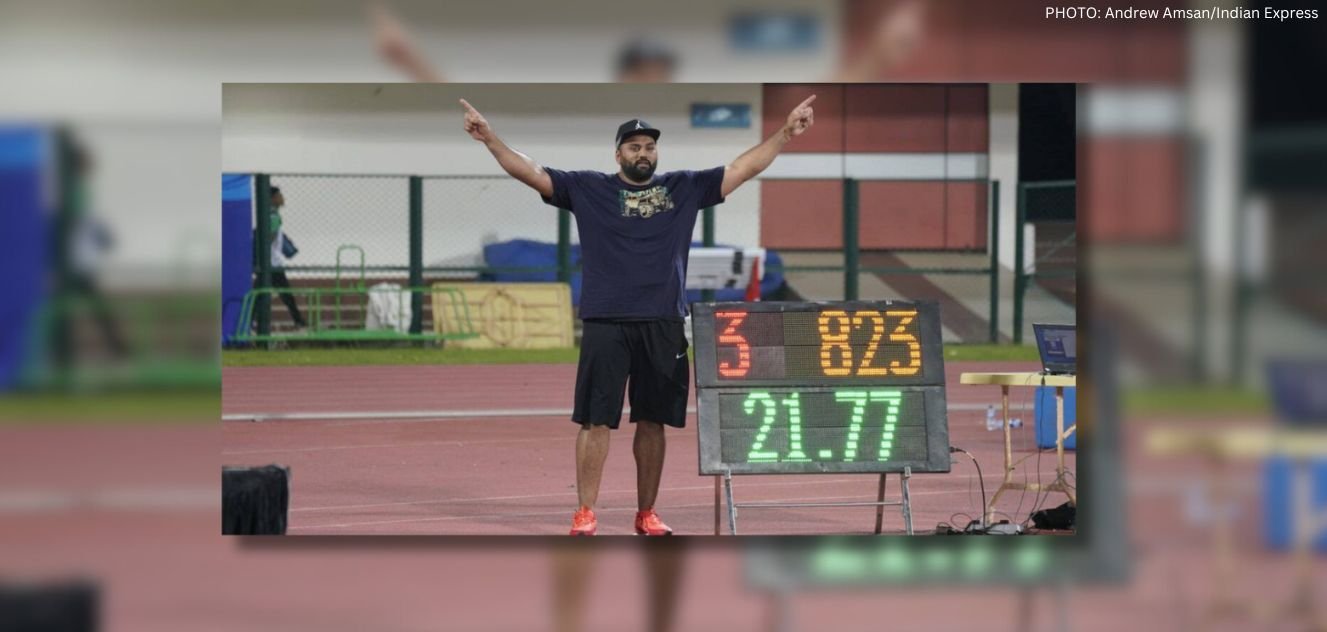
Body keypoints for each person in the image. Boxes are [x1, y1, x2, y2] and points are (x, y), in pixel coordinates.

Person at [460, 94, 816, 535]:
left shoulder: (684, 188)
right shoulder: (588, 189)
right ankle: (585, 511)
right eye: (634, 147)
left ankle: (646, 513)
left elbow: (742, 168)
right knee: (595, 420)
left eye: (649, 147)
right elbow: (531, 172)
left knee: (653, 421)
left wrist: (785, 133)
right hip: (606, 321)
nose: (643, 153)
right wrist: (490, 140)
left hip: (663, 322)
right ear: (618, 154)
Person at [261, 186, 308, 330]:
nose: (282, 198)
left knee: (264, 294)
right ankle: (298, 321)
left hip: (270, 262)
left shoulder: (268, 215)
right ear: (272, 199)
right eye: (279, 195)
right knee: (285, 294)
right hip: (273, 263)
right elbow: (270, 237)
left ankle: (298, 320)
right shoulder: (273, 216)